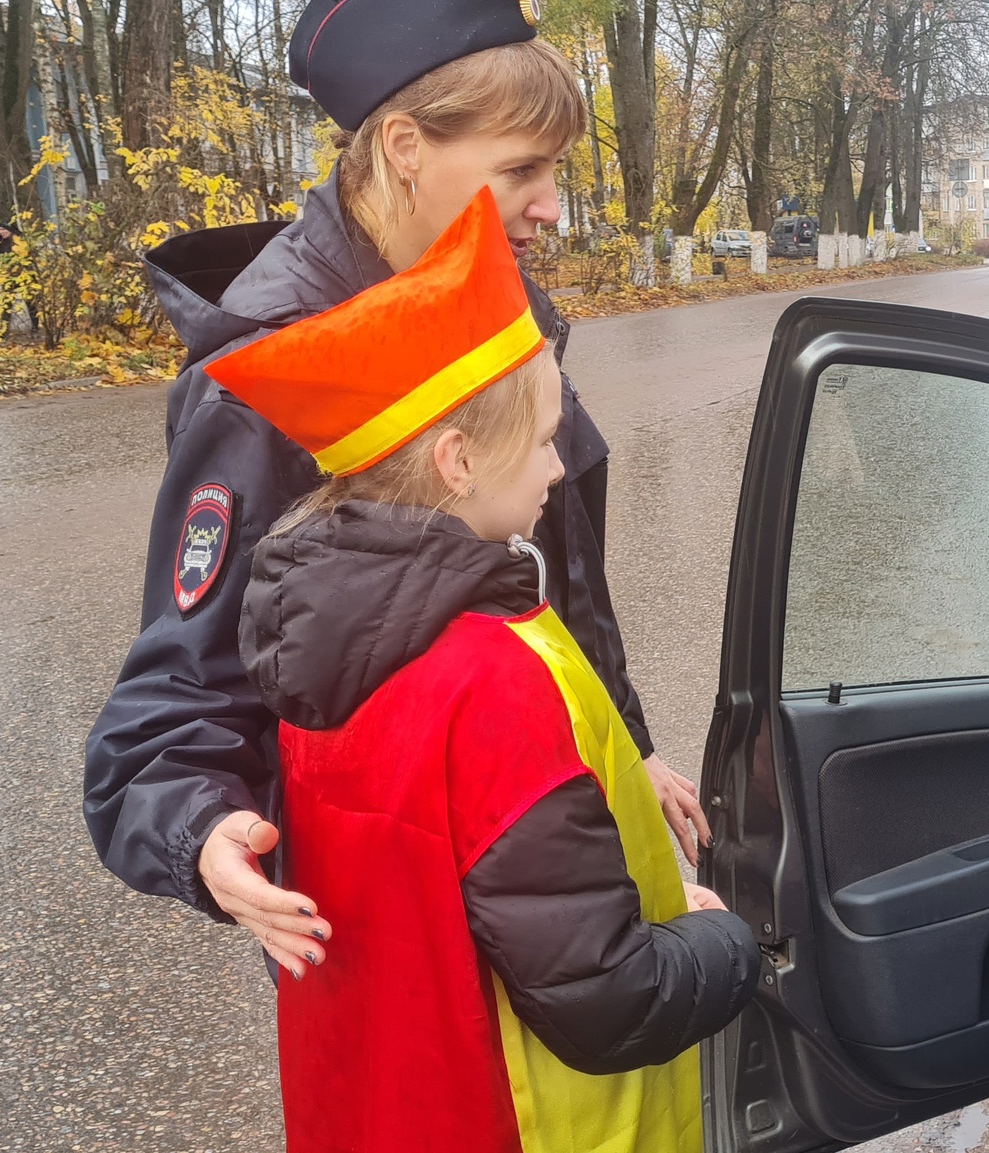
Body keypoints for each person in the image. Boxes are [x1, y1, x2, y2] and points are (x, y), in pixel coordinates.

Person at [84, 0, 710, 977]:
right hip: (401, 902)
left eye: (555, 170)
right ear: (407, 145)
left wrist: (618, 750)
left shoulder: (494, 297)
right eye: (522, 170)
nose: (550, 203)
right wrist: (198, 828)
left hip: (534, 832)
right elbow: (177, 691)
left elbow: (553, 577)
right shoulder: (270, 369)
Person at [215, 189, 754, 1150]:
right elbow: (608, 998)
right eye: (544, 438)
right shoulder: (494, 678)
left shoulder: (320, 638)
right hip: (531, 1120)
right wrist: (722, 937)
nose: (557, 470)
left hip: (380, 1102)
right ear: (458, 460)